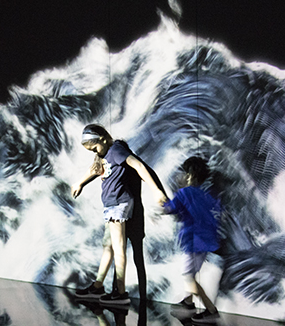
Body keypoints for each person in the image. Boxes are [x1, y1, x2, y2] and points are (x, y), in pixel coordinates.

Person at [71, 124, 167, 305]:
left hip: (118, 204)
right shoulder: (105, 154)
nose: (95, 152)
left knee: (118, 248)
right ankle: (98, 286)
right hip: (111, 206)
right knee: (108, 246)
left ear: (102, 139)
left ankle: (120, 293)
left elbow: (138, 165)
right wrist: (80, 183)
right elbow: (94, 170)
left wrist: (156, 190)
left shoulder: (116, 150)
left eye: (95, 148)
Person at [164, 156, 222, 324]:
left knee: (188, 277)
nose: (179, 176)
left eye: (182, 172)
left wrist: (160, 207)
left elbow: (171, 208)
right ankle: (188, 303)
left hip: (192, 242)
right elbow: (216, 211)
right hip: (205, 242)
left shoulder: (184, 193)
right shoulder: (205, 195)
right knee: (192, 273)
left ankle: (211, 310)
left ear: (190, 175)